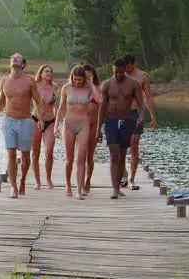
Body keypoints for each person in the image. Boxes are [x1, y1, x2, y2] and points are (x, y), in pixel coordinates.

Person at [0, 53, 38, 198]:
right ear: (10, 63)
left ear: (23, 64)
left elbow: (38, 101)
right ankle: (13, 186)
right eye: (12, 57)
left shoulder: (30, 81)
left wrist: (41, 119)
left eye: (18, 58)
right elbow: (1, 103)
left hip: (25, 120)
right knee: (11, 153)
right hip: (9, 121)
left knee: (26, 156)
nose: (14, 58)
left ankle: (23, 181)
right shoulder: (4, 81)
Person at [98, 57, 145, 199]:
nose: (118, 75)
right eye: (115, 72)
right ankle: (114, 189)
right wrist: (98, 128)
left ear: (125, 71)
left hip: (127, 120)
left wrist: (141, 117)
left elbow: (141, 105)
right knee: (114, 154)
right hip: (111, 120)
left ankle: (118, 186)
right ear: (112, 70)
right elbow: (102, 107)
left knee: (122, 155)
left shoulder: (134, 84)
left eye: (121, 72)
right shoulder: (106, 85)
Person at [54, 65, 94, 199]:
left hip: (84, 124)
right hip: (69, 124)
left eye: (80, 80)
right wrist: (56, 126)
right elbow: (61, 109)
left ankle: (79, 189)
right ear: (72, 78)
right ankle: (68, 184)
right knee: (69, 159)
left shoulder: (89, 89)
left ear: (84, 79)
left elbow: (99, 98)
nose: (78, 82)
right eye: (75, 79)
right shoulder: (66, 88)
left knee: (81, 158)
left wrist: (91, 83)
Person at [122, 53, 158, 190]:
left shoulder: (142, 76)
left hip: (136, 113)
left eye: (129, 66)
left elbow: (148, 97)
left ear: (134, 64)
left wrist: (153, 117)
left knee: (134, 145)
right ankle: (123, 176)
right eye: (125, 67)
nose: (127, 69)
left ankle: (132, 178)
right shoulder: (120, 74)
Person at [30, 64, 58, 190]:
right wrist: (40, 119)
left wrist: (57, 121)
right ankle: (37, 181)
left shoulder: (55, 87)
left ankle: (48, 179)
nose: (49, 73)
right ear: (40, 73)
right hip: (36, 120)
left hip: (50, 122)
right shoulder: (35, 86)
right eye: (46, 71)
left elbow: (54, 106)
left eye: (51, 71)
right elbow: (36, 103)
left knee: (49, 152)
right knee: (35, 153)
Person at [81, 64, 102, 194]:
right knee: (81, 156)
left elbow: (100, 101)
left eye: (89, 75)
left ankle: (88, 180)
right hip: (80, 126)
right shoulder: (78, 89)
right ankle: (81, 181)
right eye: (85, 75)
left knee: (89, 157)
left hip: (93, 126)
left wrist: (92, 84)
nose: (87, 78)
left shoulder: (98, 89)